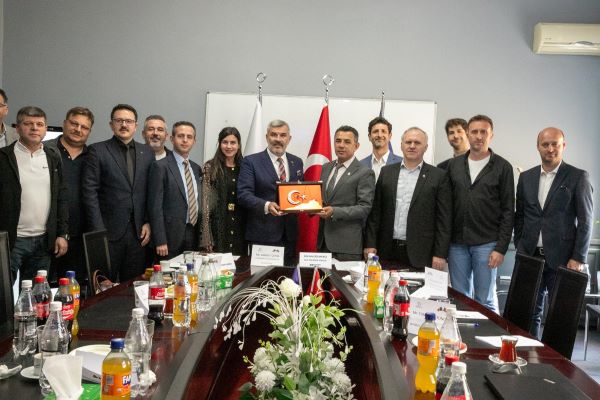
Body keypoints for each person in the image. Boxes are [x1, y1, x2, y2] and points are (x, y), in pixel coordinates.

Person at [514, 127, 593, 337]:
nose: (550, 149)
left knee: (560, 315)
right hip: (530, 256)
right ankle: (530, 352)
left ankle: (554, 357)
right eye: (545, 144)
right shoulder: (526, 177)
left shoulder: (578, 177)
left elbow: (586, 221)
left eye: (555, 144)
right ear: (538, 147)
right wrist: (520, 245)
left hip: (564, 259)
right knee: (529, 312)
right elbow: (520, 215)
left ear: (563, 146)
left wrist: (578, 257)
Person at [447, 115, 514, 312]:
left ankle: (489, 334)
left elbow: (508, 210)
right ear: (468, 134)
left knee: (485, 300)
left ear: (491, 135)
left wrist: (501, 248)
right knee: (460, 299)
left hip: (487, 244)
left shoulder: (503, 167)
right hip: (457, 244)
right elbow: (447, 206)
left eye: (483, 132)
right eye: (474, 132)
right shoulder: (454, 166)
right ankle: (463, 333)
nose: (478, 136)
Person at [82, 104, 154, 281]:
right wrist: (99, 231)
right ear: (111, 124)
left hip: (138, 234)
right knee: (104, 286)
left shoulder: (147, 152)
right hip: (108, 233)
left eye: (128, 121)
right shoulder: (97, 150)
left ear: (136, 126)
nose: (124, 125)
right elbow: (89, 192)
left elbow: (150, 191)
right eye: (119, 120)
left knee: (133, 286)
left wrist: (147, 221)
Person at [364, 127, 452, 269]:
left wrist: (440, 254)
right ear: (401, 145)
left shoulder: (438, 176)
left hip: (421, 253)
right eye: (408, 142)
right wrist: (370, 244)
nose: (412, 146)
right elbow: (375, 213)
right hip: (386, 250)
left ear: (425, 147)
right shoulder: (387, 172)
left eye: (417, 143)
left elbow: (444, 220)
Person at [0, 106, 69, 284]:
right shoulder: (4, 158)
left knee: (37, 295)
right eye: (28, 124)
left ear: (45, 129)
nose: (34, 128)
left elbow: (61, 198)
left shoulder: (53, 158)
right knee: (3, 292)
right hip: (12, 241)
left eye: (39, 124)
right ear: (17, 128)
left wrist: (62, 234)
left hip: (44, 242)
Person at [238, 119, 303, 265]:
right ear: (267, 137)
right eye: (274, 134)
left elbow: (299, 192)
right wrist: (267, 205)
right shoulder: (251, 162)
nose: (278, 139)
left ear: (289, 139)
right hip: (262, 235)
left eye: (283, 135)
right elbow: (243, 194)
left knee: (288, 278)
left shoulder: (297, 162)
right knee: (262, 278)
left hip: (289, 236)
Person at [44, 107, 94, 282]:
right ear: (65, 124)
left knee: (74, 289)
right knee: (42, 289)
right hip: (47, 235)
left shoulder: (93, 156)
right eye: (74, 124)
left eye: (84, 127)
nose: (78, 129)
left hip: (81, 237)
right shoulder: (45, 150)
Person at [318, 126, 375, 261]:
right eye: (338, 141)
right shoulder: (326, 168)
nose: (341, 145)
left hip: (347, 246)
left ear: (356, 146)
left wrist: (334, 211)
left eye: (347, 142)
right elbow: (323, 199)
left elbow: (364, 208)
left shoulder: (364, 172)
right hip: (323, 243)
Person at [148, 121, 202, 258]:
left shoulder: (196, 168)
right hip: (169, 237)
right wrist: (160, 239)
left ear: (194, 141)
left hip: (193, 233)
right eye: (180, 136)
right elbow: (155, 207)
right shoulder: (160, 167)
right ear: (172, 139)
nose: (185, 140)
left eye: (189, 137)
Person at [199, 127, 247, 255]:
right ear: (219, 144)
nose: (229, 146)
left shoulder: (245, 167)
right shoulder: (210, 167)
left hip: (240, 227)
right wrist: (207, 238)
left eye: (233, 142)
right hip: (218, 226)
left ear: (239, 145)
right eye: (225, 142)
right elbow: (205, 204)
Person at [360, 116, 402, 180]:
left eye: (383, 131)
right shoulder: (360, 165)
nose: (379, 135)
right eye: (375, 131)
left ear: (390, 136)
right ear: (369, 137)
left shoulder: (401, 163)